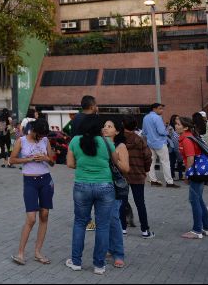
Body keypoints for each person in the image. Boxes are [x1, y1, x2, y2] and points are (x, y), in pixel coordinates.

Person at [65, 115, 119, 275]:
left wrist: (83, 166)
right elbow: (115, 161)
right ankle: (99, 265)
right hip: (105, 185)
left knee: (80, 223)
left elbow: (69, 164)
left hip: (82, 185)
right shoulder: (107, 142)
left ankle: (75, 262)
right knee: (103, 226)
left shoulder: (75, 141)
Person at [10, 119, 55, 266]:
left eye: (43, 135)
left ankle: (38, 252)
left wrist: (46, 158)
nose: (41, 137)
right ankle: (20, 253)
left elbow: (53, 161)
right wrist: (28, 159)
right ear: (33, 130)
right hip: (30, 181)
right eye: (40, 135)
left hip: (45, 180)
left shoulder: (45, 140)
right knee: (31, 218)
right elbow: (12, 160)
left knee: (44, 215)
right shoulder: (21, 141)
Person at [176, 116, 208, 239]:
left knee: (194, 200)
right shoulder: (188, 136)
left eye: (178, 124)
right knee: (199, 199)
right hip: (199, 172)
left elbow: (190, 158)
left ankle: (197, 230)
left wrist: (187, 175)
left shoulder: (186, 139)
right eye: (176, 124)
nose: (176, 126)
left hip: (196, 173)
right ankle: (207, 228)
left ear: (185, 127)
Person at [102, 120, 129, 269]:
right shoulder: (100, 144)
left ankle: (119, 253)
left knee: (113, 218)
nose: (105, 128)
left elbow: (126, 168)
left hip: (114, 187)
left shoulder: (120, 146)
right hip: (101, 185)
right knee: (104, 219)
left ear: (117, 131)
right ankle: (110, 248)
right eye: (105, 126)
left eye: (110, 126)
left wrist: (114, 158)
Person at [121, 115, 154, 239]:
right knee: (140, 203)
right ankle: (145, 230)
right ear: (135, 126)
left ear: (123, 125)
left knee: (122, 202)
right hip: (138, 174)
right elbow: (148, 156)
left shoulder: (119, 140)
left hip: (123, 175)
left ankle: (122, 228)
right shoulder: (140, 140)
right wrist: (145, 169)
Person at [143, 103, 178, 188]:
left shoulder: (145, 117)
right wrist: (168, 132)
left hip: (150, 143)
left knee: (152, 162)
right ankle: (169, 182)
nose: (162, 110)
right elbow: (161, 132)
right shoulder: (157, 118)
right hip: (160, 143)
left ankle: (153, 180)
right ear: (154, 109)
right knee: (165, 162)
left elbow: (144, 131)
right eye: (160, 108)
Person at [167, 115, 185, 181]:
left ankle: (180, 175)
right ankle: (172, 175)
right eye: (176, 118)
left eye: (178, 118)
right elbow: (167, 136)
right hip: (172, 148)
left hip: (179, 147)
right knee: (172, 162)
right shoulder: (170, 127)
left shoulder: (180, 126)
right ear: (173, 119)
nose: (178, 119)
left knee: (180, 161)